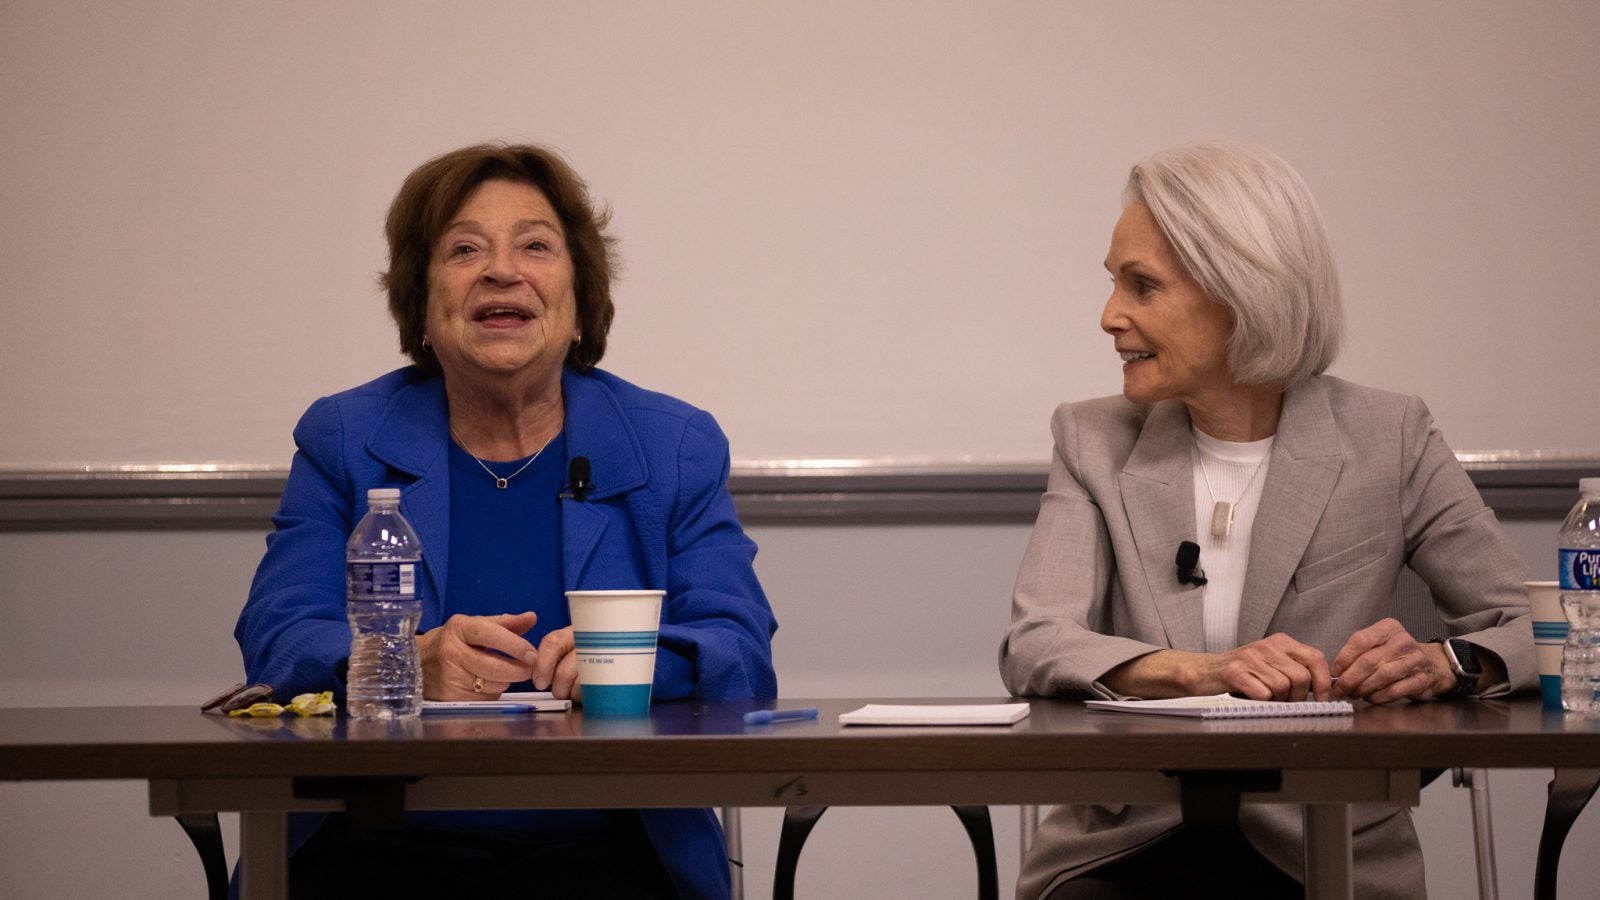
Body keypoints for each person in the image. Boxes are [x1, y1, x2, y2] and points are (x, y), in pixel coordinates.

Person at [235, 142, 778, 899]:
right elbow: (281, 637)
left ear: (581, 302)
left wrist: (639, 667)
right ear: (420, 306)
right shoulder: (346, 441)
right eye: (464, 249)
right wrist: (402, 662)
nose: (501, 271)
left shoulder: (672, 446)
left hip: (610, 854)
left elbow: (740, 649)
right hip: (375, 844)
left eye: (535, 246)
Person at [999, 144, 1534, 899]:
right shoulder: (1091, 438)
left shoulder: (1390, 436)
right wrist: (1200, 672)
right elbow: (1037, 642)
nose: (1109, 316)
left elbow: (1545, 627)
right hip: (1125, 847)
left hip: (1326, 848)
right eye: (1115, 284)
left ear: (1240, 293)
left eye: (1141, 286)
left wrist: (1447, 663)